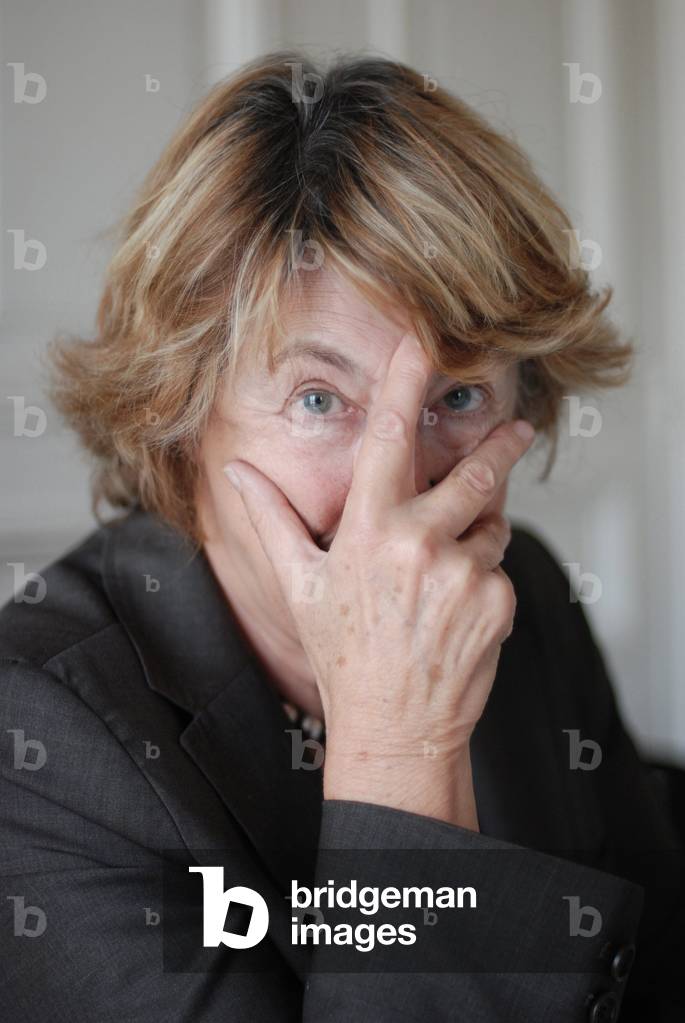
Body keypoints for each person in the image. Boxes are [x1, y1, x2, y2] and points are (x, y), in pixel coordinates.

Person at [1, 52, 682, 1022]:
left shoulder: (515, 588)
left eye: (456, 396)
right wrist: (401, 748)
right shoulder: (34, 742)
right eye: (319, 398)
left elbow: (652, 956)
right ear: (181, 415)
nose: (394, 481)